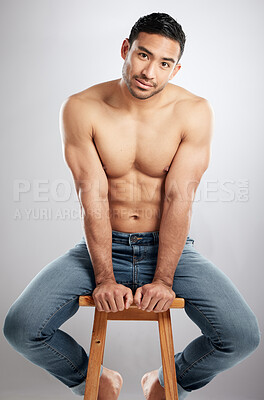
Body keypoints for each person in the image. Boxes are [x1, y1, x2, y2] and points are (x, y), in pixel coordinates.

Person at [3, 12, 261, 400]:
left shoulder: (194, 111)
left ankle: (164, 381)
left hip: (170, 247)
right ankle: (96, 379)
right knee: (21, 328)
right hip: (103, 247)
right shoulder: (81, 107)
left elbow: (179, 198)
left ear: (176, 69)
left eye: (164, 63)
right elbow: (92, 195)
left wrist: (165, 278)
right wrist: (104, 276)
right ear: (126, 49)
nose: (150, 72)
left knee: (241, 336)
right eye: (143, 55)